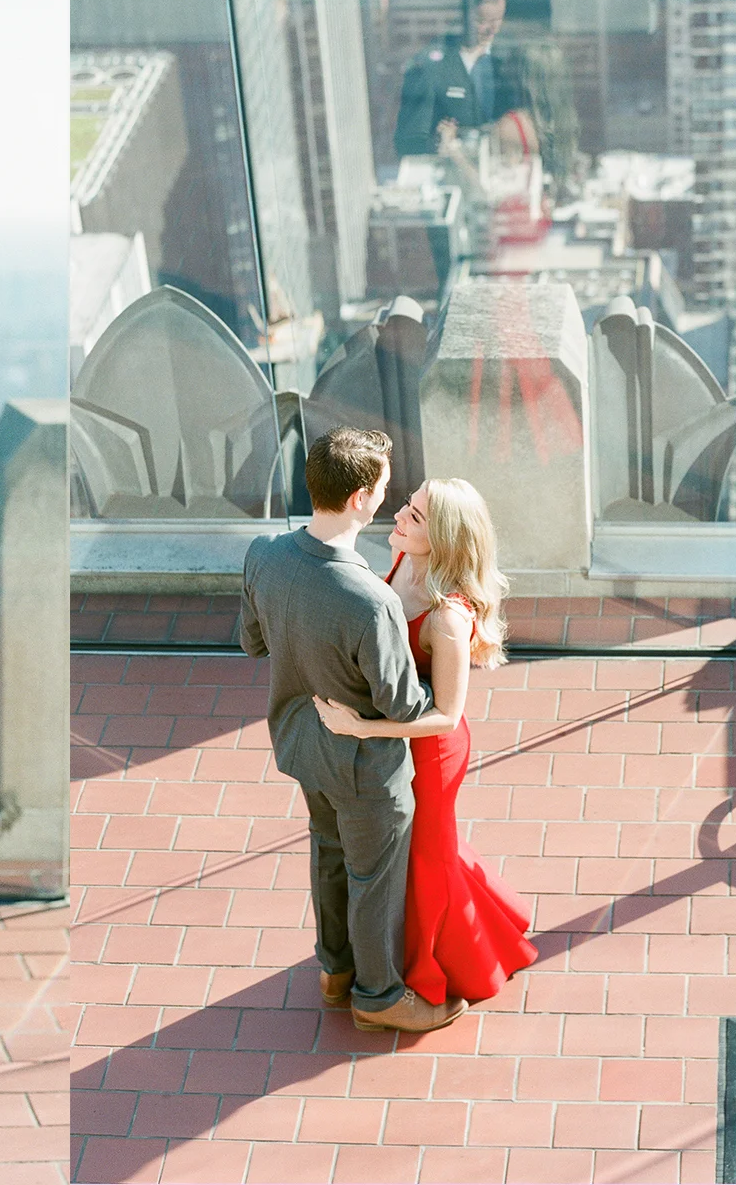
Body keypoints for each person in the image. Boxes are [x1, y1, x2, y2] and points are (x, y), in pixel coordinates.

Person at [239, 428, 457, 1035]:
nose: (388, 499)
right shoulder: (371, 601)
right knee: (374, 880)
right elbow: (406, 708)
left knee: (327, 852)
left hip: (301, 746)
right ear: (361, 497)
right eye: (385, 489)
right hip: (366, 765)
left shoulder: (262, 554)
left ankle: (334, 971)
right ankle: (379, 995)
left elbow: (252, 642)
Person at [314, 478, 537, 1011]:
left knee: (426, 860)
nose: (400, 517)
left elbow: (446, 715)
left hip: (431, 750)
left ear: (445, 538)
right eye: (408, 505)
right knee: (419, 855)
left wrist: (364, 729)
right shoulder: (400, 554)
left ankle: (445, 966)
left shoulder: (449, 617)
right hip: (398, 733)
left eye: (415, 516)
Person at [393, 0, 512, 163]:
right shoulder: (433, 65)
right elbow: (408, 142)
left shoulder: (507, 61)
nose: (491, 30)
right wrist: (437, 143)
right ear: (463, 17)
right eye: (482, 21)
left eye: (497, 20)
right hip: (449, 174)